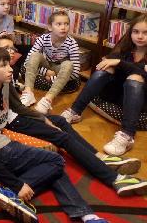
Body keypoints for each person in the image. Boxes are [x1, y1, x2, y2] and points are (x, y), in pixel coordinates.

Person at [0, 47, 108, 223]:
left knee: (51, 169)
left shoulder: (2, 83)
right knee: (55, 161)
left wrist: (41, 118)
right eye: (3, 65)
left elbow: (17, 108)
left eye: (8, 63)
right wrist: (17, 185)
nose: (10, 68)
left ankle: (86, 215)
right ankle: (10, 193)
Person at [0, 36, 147, 196]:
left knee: (61, 121)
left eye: (12, 48)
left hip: (17, 117)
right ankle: (114, 178)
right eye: (6, 49)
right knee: (61, 137)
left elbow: (18, 106)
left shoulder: (7, 72)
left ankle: (99, 156)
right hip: (13, 123)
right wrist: (40, 120)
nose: (12, 52)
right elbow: (5, 115)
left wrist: (43, 118)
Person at [61, 14, 147, 156]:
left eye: (145, 33)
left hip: (139, 101)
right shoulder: (126, 46)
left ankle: (127, 135)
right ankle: (75, 111)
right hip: (115, 94)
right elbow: (109, 60)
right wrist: (114, 63)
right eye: (136, 32)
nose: (140, 36)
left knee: (135, 77)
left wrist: (120, 63)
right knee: (105, 69)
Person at [21, 10, 81, 114]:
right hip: (47, 66)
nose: (63, 27)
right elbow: (27, 62)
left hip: (60, 69)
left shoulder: (72, 43)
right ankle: (28, 92)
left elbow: (75, 72)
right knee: (34, 56)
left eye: (66, 24)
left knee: (68, 64)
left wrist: (53, 76)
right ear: (50, 27)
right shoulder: (43, 39)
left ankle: (47, 99)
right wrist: (46, 73)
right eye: (59, 24)